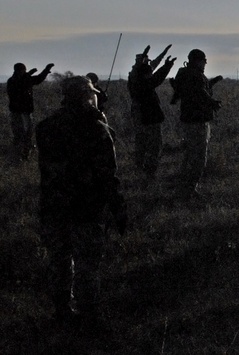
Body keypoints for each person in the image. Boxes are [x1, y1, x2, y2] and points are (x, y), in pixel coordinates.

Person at [36, 76, 127, 327]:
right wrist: (118, 208)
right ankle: (89, 317)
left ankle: (62, 311)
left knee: (60, 261)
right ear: (87, 96)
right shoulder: (97, 129)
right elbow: (108, 174)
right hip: (86, 208)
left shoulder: (45, 127)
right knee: (87, 265)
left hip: (53, 206)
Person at [173, 49, 222, 199]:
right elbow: (200, 92)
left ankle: (183, 187)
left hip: (188, 120)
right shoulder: (195, 76)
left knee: (189, 155)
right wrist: (213, 103)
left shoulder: (184, 74)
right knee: (198, 157)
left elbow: (195, 90)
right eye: (203, 60)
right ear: (197, 60)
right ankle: (189, 189)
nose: (205, 63)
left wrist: (213, 82)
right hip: (197, 121)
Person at [127, 54, 176, 185]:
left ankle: (140, 170)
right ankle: (149, 174)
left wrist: (163, 58)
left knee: (141, 143)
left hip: (142, 118)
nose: (151, 73)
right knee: (154, 146)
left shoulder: (134, 80)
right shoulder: (143, 84)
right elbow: (157, 78)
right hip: (149, 118)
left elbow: (153, 72)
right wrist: (167, 66)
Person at [7, 62, 53, 162]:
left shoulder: (21, 80)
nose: (24, 72)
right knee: (22, 134)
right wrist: (29, 75)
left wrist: (45, 70)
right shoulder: (13, 81)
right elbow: (20, 86)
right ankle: (19, 156)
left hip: (25, 112)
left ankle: (23, 155)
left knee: (26, 134)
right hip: (20, 113)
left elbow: (38, 79)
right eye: (23, 70)